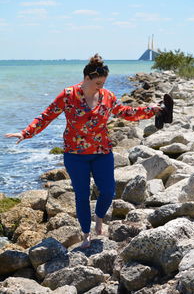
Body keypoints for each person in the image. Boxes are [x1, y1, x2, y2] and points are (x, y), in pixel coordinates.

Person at [5, 54, 160, 248]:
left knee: (108, 191)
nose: (100, 87)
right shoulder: (68, 95)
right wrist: (26, 132)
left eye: (103, 83)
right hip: (75, 155)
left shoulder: (107, 96)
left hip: (102, 152)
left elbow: (126, 113)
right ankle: (86, 234)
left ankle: (100, 217)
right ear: (86, 78)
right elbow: (46, 116)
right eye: (97, 83)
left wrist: (153, 110)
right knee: (82, 196)